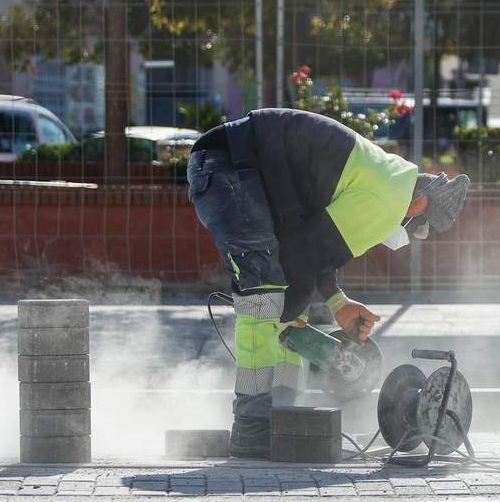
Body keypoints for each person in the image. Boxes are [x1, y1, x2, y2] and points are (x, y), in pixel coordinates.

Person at [186, 108, 469, 458]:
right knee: (265, 296)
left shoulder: (384, 177)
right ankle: (252, 426)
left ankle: (281, 416)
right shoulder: (388, 203)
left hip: (245, 171)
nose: (414, 233)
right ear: (421, 201)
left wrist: (337, 304)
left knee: (285, 302)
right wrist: (287, 321)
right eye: (422, 226)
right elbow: (306, 255)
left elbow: (310, 246)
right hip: (231, 168)